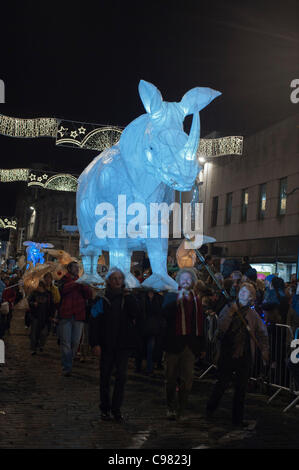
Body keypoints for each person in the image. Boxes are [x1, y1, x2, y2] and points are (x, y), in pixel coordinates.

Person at [206, 282, 269, 427]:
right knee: (221, 384)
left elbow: (262, 333)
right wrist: (230, 313)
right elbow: (220, 330)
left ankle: (237, 419)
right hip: (227, 352)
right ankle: (210, 408)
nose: (243, 294)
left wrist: (265, 350)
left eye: (246, 292)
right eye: (242, 291)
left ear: (251, 297)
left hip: (244, 355)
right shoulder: (228, 308)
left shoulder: (253, 315)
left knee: (241, 389)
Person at [89, 268, 140, 422]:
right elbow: (94, 322)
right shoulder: (101, 299)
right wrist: (95, 343)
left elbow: (137, 313)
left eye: (120, 278)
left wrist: (130, 297)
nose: (118, 281)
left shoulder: (128, 298)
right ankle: (105, 408)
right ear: (109, 281)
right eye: (115, 278)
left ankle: (116, 409)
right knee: (105, 377)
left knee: (121, 378)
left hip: (123, 345)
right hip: (106, 344)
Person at [162, 268, 206, 421]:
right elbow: (165, 314)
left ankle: (181, 408)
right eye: (183, 279)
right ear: (178, 281)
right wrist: (176, 302)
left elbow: (200, 323)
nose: (186, 282)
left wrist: (201, 346)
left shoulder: (196, 299)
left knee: (187, 380)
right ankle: (170, 407)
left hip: (189, 345)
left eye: (189, 279)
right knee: (171, 378)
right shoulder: (171, 294)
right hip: (173, 344)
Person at [58, 261, 93, 376]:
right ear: (70, 269)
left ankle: (69, 362)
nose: (77, 269)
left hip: (79, 315)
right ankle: (67, 367)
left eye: (78, 268)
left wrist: (83, 284)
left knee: (75, 342)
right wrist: (77, 283)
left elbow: (88, 295)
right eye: (75, 267)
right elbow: (63, 290)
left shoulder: (81, 281)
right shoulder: (64, 279)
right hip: (66, 315)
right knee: (65, 343)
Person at [28, 280, 55, 355]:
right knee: (34, 333)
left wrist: (52, 316)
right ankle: (33, 348)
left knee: (44, 333)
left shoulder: (48, 294)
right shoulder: (33, 293)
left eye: (38, 286)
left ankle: (41, 344)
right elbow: (29, 301)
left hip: (46, 317)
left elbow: (52, 306)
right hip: (35, 316)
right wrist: (33, 303)